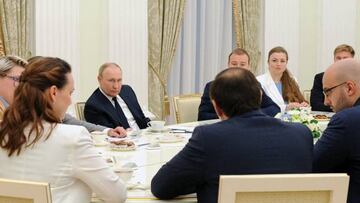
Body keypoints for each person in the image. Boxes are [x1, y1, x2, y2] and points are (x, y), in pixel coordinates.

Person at [152, 68, 313, 203]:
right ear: (260, 96)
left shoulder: (208, 138)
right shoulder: (301, 134)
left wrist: (202, 179)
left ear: (217, 107)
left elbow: (161, 187)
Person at [0, 57, 126, 203]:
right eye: (70, 93)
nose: (70, 101)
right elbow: (117, 196)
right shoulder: (73, 138)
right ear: (53, 92)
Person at [0, 56, 126, 137]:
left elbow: (67, 120)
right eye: (17, 79)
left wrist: (106, 131)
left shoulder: (26, 104)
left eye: (24, 80)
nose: (22, 85)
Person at [313, 58, 360, 203]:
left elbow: (312, 165)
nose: (326, 101)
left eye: (328, 92)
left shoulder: (347, 121)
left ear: (349, 88)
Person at [198, 48, 280, 120]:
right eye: (234, 64)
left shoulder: (254, 85)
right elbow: (203, 115)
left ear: (248, 67)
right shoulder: (212, 86)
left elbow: (274, 108)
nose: (238, 67)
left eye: (242, 64)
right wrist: (233, 117)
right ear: (228, 65)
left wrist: (250, 116)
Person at [84, 62, 150, 130]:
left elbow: (142, 119)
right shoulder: (93, 106)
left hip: (145, 136)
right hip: (125, 139)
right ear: (99, 79)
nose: (116, 86)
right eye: (111, 81)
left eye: (119, 80)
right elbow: (109, 134)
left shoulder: (127, 91)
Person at [257, 46, 308, 112]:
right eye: (274, 61)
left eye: (282, 61)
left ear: (286, 63)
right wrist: (286, 107)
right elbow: (258, 109)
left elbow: (299, 101)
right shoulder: (259, 81)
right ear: (268, 62)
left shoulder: (293, 80)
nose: (278, 64)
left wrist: (303, 105)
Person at [310, 44, 355, 112]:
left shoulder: (357, 78)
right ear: (334, 59)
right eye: (338, 58)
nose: (341, 61)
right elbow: (316, 105)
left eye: (345, 58)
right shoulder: (320, 78)